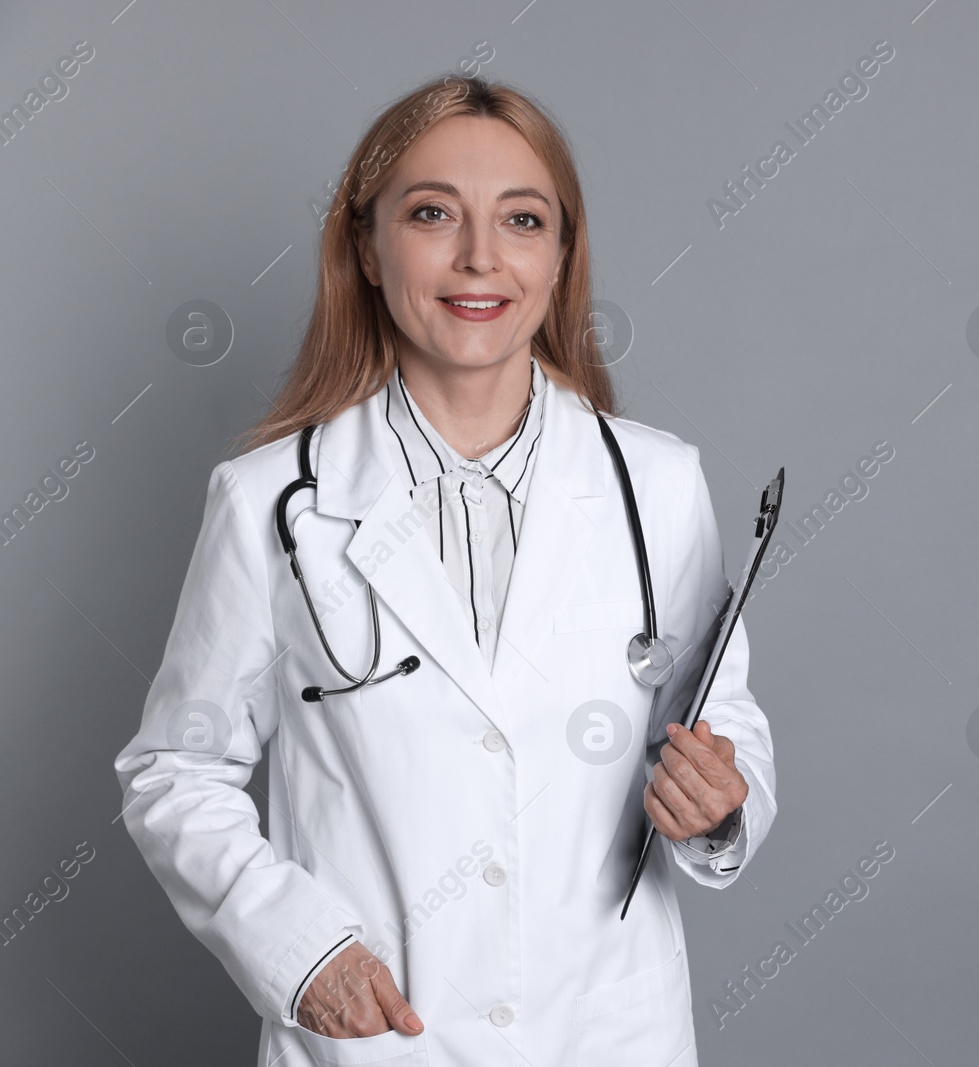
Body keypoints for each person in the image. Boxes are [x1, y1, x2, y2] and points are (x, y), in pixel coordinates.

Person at [112, 74, 775, 1067]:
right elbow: (175, 770)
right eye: (432, 214)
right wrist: (299, 949)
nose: (479, 257)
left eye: (521, 218)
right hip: (381, 1039)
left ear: (560, 257)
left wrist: (722, 804)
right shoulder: (270, 501)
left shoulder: (658, 485)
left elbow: (726, 731)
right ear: (368, 249)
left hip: (606, 1032)